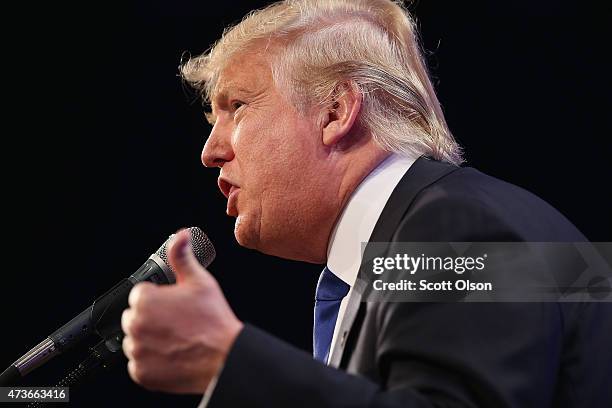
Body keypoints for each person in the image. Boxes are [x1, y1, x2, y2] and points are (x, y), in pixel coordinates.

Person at [120, 1, 612, 407]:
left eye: (237, 107)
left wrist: (230, 361)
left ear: (335, 110)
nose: (210, 152)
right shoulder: (423, 235)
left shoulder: (456, 226)